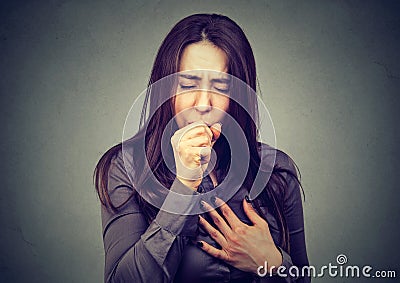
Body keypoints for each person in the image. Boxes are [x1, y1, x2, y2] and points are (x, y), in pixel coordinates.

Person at [94, 13, 310, 283]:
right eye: (188, 85)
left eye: (220, 86)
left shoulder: (276, 170)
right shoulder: (127, 167)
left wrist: (273, 263)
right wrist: (184, 185)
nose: (203, 103)